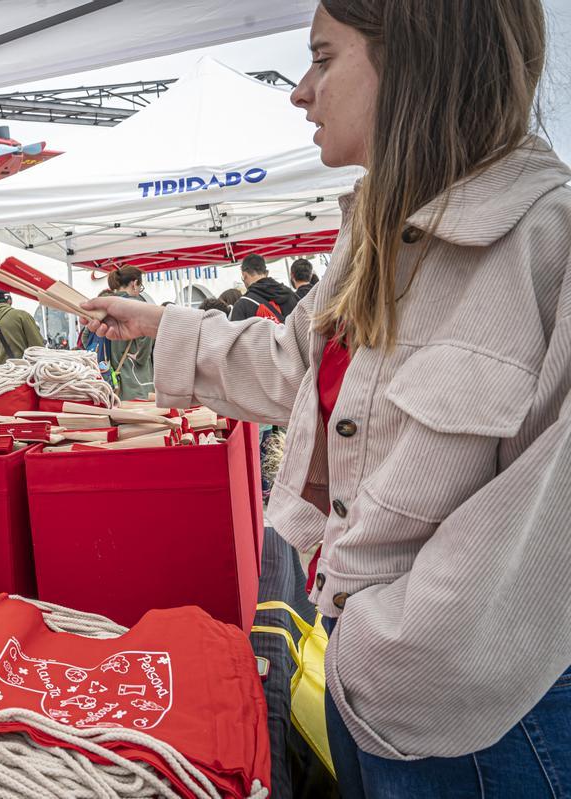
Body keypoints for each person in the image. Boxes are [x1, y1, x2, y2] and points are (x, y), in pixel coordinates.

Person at [83, 0, 569, 793]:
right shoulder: (375, 230)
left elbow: (543, 533)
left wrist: (383, 643)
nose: (300, 91)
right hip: (371, 678)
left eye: (323, 57)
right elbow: (294, 366)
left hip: (491, 719)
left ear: (414, 59)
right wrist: (159, 324)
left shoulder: (548, 241)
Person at [101, 266, 154, 401]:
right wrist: (141, 357)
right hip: (136, 380)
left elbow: (86, 337)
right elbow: (149, 334)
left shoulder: (104, 304)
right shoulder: (137, 305)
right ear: (134, 283)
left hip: (110, 380)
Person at [228, 255, 298, 322]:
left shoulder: (242, 304)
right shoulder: (289, 293)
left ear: (244, 275)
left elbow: (237, 333)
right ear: (266, 273)